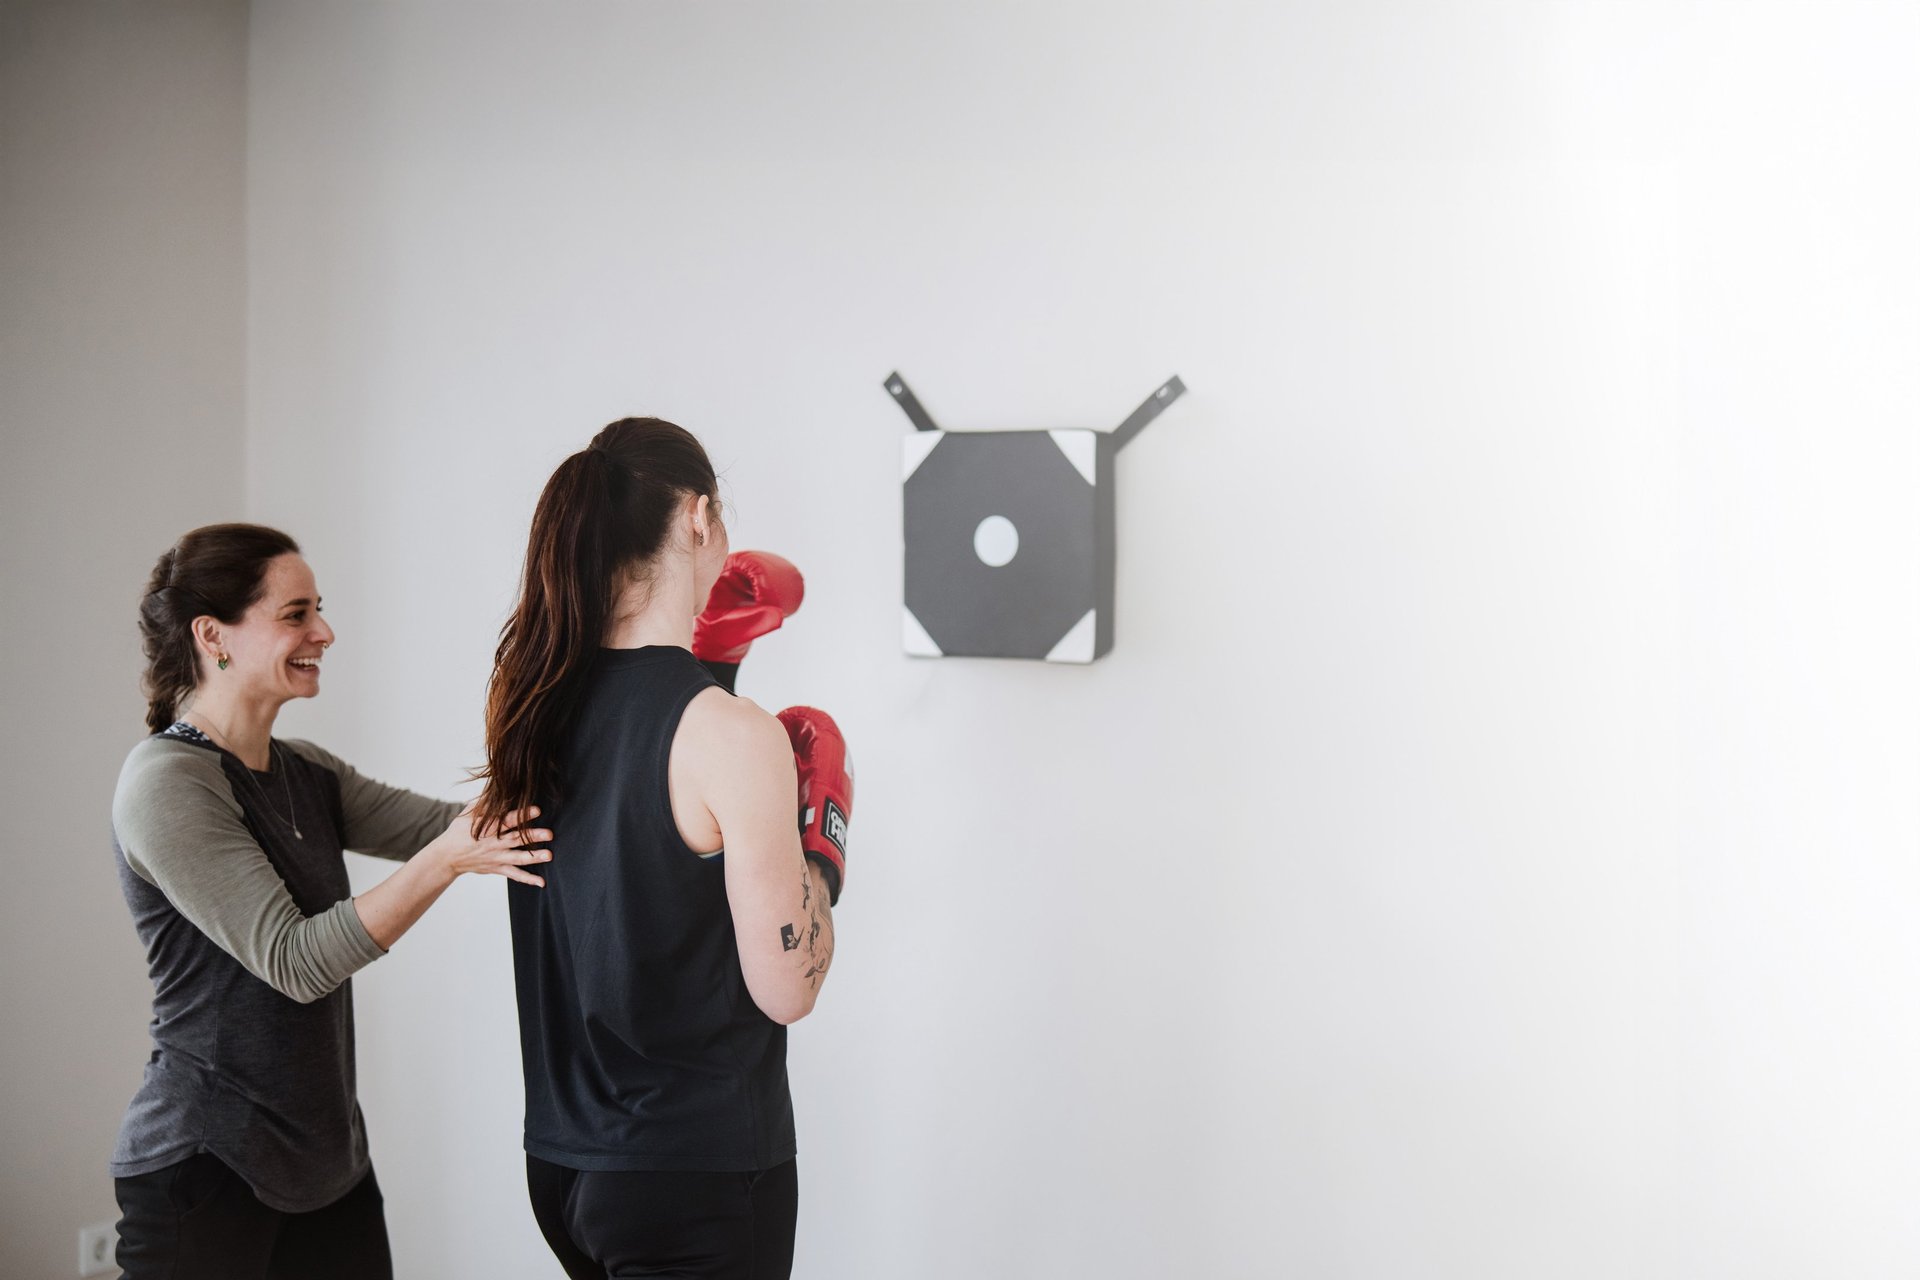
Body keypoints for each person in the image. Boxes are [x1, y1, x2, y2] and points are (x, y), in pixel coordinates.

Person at [109, 522, 551, 1279]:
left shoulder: (305, 772)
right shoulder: (166, 784)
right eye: (296, 614)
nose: (325, 631)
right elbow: (296, 959)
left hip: (328, 1163)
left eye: (320, 609)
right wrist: (448, 863)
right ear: (213, 634)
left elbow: (462, 826)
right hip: (207, 1162)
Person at [477, 417, 855, 1280]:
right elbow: (788, 987)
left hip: (565, 1166)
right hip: (694, 1174)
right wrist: (823, 851)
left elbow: (631, 833)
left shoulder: (530, 701)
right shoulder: (730, 735)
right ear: (697, 515)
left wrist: (714, 667)